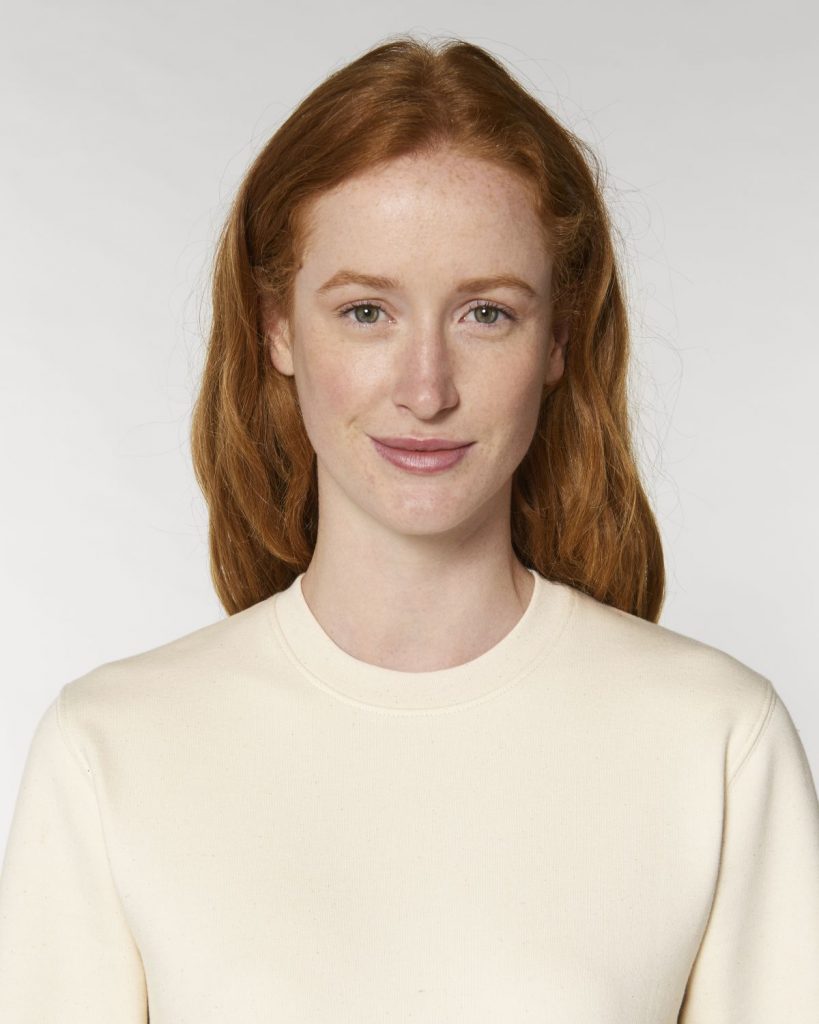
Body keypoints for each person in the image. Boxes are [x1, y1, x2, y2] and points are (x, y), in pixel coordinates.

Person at [1, 33, 817, 1023]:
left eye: (485, 313)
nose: (426, 390)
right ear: (276, 328)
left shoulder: (716, 742)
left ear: (558, 338)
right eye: (365, 312)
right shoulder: (110, 750)